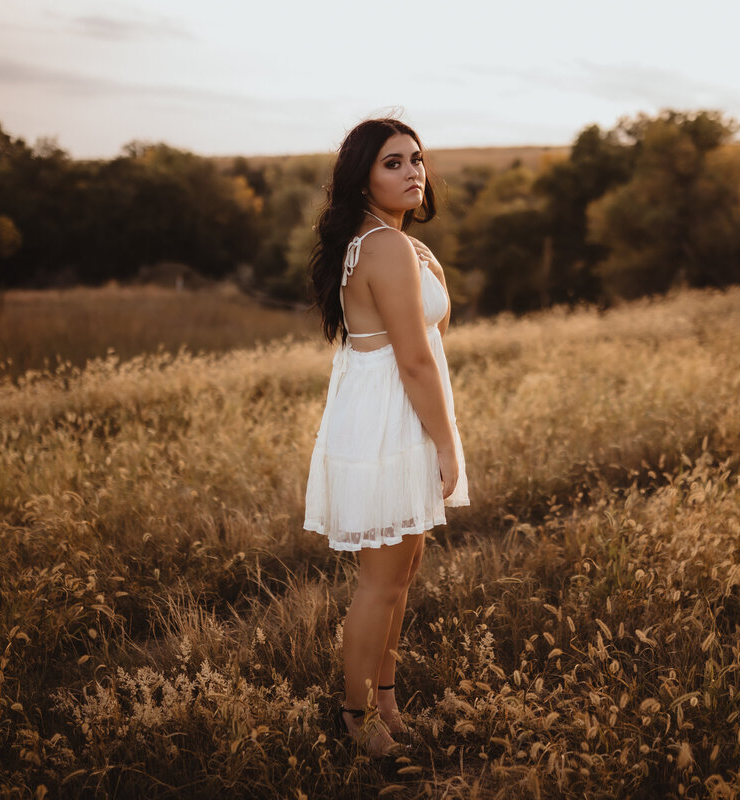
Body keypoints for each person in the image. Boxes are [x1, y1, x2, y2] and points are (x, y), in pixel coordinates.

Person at [303, 117, 469, 757]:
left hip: (393, 412)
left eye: (416, 160)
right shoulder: (385, 246)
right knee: (381, 579)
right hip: (390, 418)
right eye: (393, 163)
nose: (413, 173)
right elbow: (416, 361)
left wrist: (432, 274)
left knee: (402, 571)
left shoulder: (384, 242)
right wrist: (449, 443)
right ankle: (356, 716)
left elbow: (431, 336)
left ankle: (388, 701)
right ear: (363, 177)